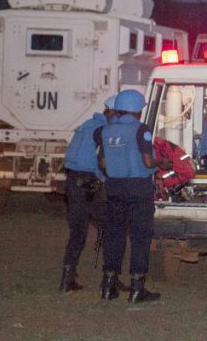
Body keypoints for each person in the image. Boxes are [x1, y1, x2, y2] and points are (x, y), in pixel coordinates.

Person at [94, 89, 172, 303]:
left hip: (114, 188)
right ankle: (137, 289)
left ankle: (108, 286)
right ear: (137, 110)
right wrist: (162, 163)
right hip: (138, 189)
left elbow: (102, 163)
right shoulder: (141, 130)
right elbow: (148, 161)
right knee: (140, 238)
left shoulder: (106, 131)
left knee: (114, 236)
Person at [58, 95, 116, 292]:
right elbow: (101, 161)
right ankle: (110, 279)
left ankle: (67, 278)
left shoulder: (86, 124)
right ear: (113, 112)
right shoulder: (103, 130)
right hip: (90, 183)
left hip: (72, 181)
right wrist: (105, 180)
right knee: (111, 229)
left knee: (77, 232)